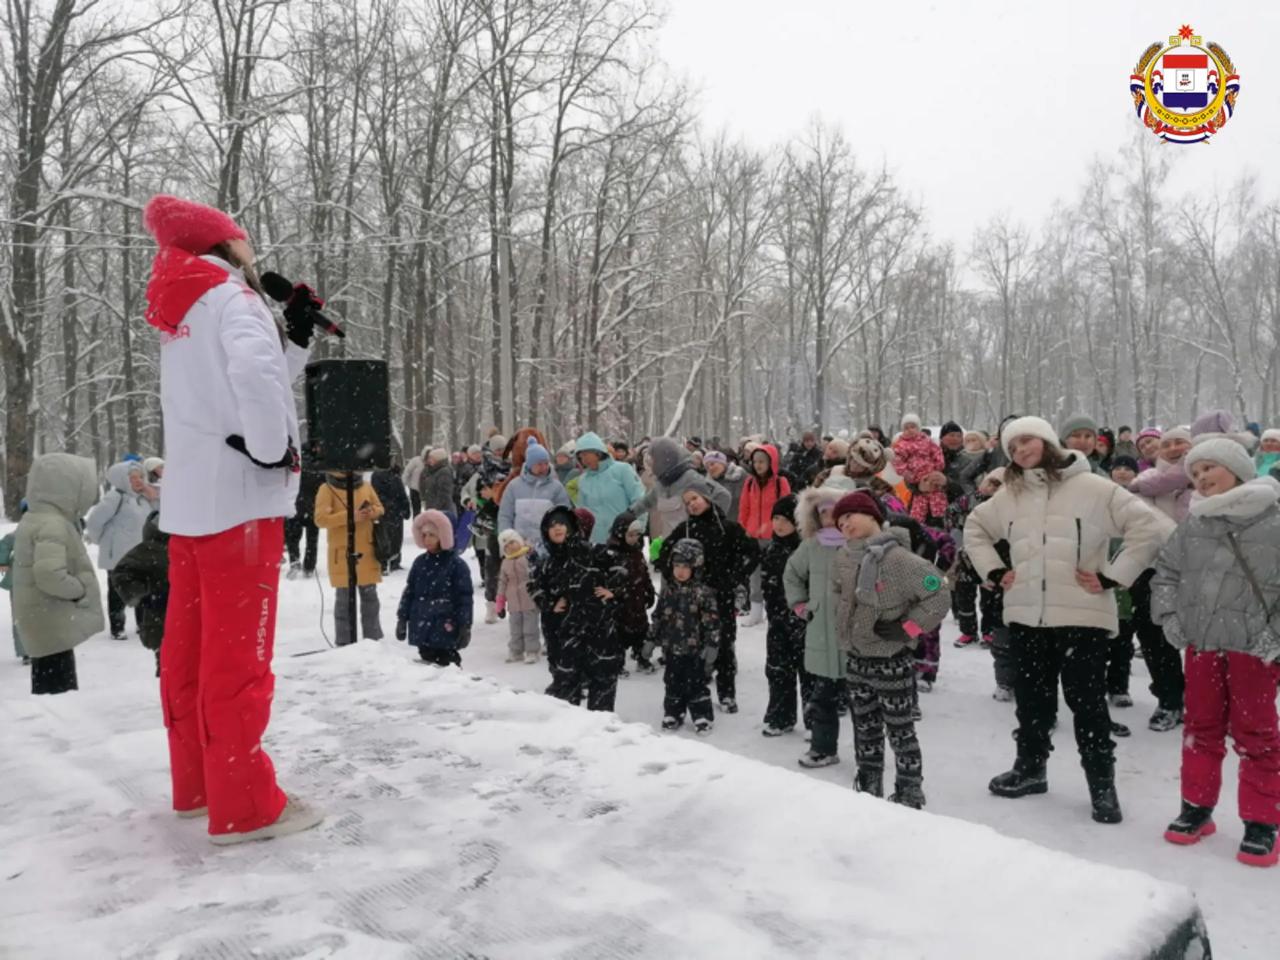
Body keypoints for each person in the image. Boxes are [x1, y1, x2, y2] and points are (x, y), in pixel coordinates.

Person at [142, 193, 322, 844]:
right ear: (223, 245)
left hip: (192, 504)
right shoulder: (233, 299)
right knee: (238, 655)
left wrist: (294, 336)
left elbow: (247, 377)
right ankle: (245, 802)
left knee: (187, 651)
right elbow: (253, 377)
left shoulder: (182, 305)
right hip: (241, 504)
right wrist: (274, 453)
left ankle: (197, 784)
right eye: (243, 240)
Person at [964, 416, 1174, 825]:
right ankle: (1030, 770)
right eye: (1012, 448)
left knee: (1088, 705)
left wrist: (1114, 575)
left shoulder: (1093, 487)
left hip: (1083, 617)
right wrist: (993, 571)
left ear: (1045, 440)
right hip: (1025, 615)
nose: (1021, 450)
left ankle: (1101, 786)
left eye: (1027, 441)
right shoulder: (1011, 494)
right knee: (1032, 702)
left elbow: (1149, 527)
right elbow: (976, 529)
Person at [1151, 438, 1280, 867]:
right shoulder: (1192, 524)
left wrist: (1275, 637)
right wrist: (1171, 618)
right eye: (1196, 472)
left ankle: (1262, 822)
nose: (1203, 478)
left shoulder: (1274, 519)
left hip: (1254, 649)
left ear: (1239, 467)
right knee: (1199, 728)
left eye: (1211, 467)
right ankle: (1196, 808)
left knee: (1257, 735)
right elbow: (1165, 573)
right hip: (1202, 645)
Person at [832, 491, 951, 807]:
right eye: (840, 522)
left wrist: (907, 628)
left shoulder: (900, 560)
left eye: (850, 516)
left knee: (900, 731)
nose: (845, 525)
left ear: (872, 516)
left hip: (891, 661)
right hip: (857, 659)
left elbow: (938, 593)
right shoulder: (844, 556)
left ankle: (909, 790)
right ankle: (869, 787)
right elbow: (839, 593)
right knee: (865, 730)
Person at [657, 479, 760, 713]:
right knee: (693, 649)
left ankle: (727, 694)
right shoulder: (684, 530)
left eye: (695, 498)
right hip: (692, 602)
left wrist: (736, 577)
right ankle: (693, 694)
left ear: (707, 498)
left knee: (723, 646)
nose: (691, 504)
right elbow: (664, 555)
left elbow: (752, 551)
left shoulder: (728, 528)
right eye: (687, 502)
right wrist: (676, 580)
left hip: (721, 597)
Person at [11, 454, 103, 694]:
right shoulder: (52, 523)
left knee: (48, 682)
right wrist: (79, 589)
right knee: (58, 689)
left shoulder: (36, 517)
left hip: (43, 619)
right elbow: (48, 574)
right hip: (50, 619)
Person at [1128, 427, 1194, 731]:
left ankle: (1210, 703)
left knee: (1204, 640)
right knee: (1155, 638)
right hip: (1153, 570)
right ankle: (1169, 699)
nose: (1173, 448)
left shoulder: (1211, 478)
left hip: (1201, 570)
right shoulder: (1144, 484)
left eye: (1181, 441)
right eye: (1167, 444)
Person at [783, 484, 853, 768]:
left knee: (861, 702)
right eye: (823, 513)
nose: (829, 518)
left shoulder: (858, 544)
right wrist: (800, 604)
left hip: (855, 635)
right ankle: (823, 748)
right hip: (822, 632)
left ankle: (869, 753)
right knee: (822, 698)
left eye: (835, 512)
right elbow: (792, 574)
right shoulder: (811, 546)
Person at [530, 505, 624, 710]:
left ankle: (601, 731)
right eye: (552, 525)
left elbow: (623, 569)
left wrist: (614, 591)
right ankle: (570, 733)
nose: (557, 528)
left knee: (602, 685)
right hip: (563, 634)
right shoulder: (547, 564)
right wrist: (550, 604)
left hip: (598, 633)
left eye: (562, 523)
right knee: (565, 690)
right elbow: (534, 587)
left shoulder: (592, 552)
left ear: (572, 527)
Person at [644, 538, 720, 734]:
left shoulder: (703, 593)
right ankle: (673, 712)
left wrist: (712, 644)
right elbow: (659, 616)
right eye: (677, 565)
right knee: (672, 681)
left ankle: (702, 715)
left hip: (696, 650)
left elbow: (712, 621)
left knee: (696, 683)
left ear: (696, 566)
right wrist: (651, 639)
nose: (680, 571)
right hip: (671, 647)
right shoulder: (668, 591)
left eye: (685, 566)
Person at [85, 460, 155, 640]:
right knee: (118, 592)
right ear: (122, 479)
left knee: (143, 590)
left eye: (140, 477)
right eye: (132, 477)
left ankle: (142, 625)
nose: (138, 481)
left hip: (141, 554)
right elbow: (94, 521)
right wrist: (103, 541)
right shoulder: (115, 497)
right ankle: (117, 628)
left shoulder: (143, 497)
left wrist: (153, 495)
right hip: (118, 556)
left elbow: (159, 515)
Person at [760, 494, 812, 737]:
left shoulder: (806, 549)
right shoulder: (772, 548)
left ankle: (815, 723)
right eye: (776, 518)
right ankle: (780, 716)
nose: (779, 525)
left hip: (804, 620)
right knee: (778, 669)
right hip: (777, 621)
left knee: (809, 673)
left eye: (785, 520)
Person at [314, 471, 386, 645]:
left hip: (367, 551)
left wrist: (371, 512)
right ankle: (344, 643)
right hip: (343, 552)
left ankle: (373, 640)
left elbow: (380, 508)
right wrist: (349, 516)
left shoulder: (366, 486)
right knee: (344, 602)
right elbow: (320, 520)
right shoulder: (327, 489)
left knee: (370, 600)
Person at [398, 510, 473, 665]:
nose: (427, 540)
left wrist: (465, 624)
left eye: (432, 535)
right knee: (427, 661)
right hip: (422, 624)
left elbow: (465, 597)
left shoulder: (456, 565)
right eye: (424, 535)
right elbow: (410, 591)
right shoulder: (420, 562)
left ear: (443, 536)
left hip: (445, 624)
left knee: (447, 663)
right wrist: (402, 617)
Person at [110, 512, 171, 677]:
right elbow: (122, 574)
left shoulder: (187, 545)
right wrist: (143, 596)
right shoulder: (150, 549)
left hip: (180, 618)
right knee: (170, 668)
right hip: (161, 619)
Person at [738, 443, 791, 628]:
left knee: (776, 575)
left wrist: (778, 529)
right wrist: (743, 529)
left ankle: (776, 610)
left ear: (772, 462)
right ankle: (756, 611)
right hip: (753, 536)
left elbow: (786, 508)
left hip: (775, 536)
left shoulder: (780, 482)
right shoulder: (749, 482)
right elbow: (744, 508)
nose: (758, 465)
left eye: (762, 461)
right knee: (755, 576)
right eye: (755, 461)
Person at [496, 433, 571, 554]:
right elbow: (505, 516)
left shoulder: (556, 487)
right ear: (530, 465)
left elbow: (564, 517)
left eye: (546, 463)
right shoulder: (514, 486)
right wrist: (509, 541)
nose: (544, 467)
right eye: (539, 464)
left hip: (549, 550)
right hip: (519, 549)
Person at [605, 512, 657, 675]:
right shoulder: (612, 555)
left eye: (637, 535)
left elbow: (644, 574)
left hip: (638, 601)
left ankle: (642, 658)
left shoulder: (637, 552)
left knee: (641, 632)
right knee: (619, 637)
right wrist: (618, 593)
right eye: (630, 535)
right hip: (620, 605)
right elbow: (608, 580)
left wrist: (649, 590)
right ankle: (617, 663)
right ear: (620, 534)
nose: (635, 538)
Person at [574, 431, 646, 545]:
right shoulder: (583, 480)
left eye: (586, 454)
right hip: (595, 542)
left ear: (597, 452)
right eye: (580, 457)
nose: (583, 459)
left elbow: (639, 500)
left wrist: (638, 529)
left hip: (623, 539)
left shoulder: (622, 470)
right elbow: (582, 512)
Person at [497, 529, 541, 664]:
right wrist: (500, 600)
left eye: (512, 542)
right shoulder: (505, 562)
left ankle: (532, 651)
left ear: (520, 541)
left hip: (529, 600)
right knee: (515, 629)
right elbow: (502, 582)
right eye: (506, 546)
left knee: (530, 628)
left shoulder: (528, 557)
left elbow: (537, 574)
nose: (510, 547)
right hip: (514, 603)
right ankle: (516, 651)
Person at [371, 460, 411, 574]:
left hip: (395, 512)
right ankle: (385, 563)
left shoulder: (395, 474)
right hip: (387, 512)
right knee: (385, 539)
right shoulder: (378, 475)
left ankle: (394, 561)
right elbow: (377, 494)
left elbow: (401, 492)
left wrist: (405, 508)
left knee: (395, 538)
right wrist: (392, 505)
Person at [0, 501, 27, 662]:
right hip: (38, 579)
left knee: (20, 615)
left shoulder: (17, 533)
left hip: (18, 579)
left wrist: (3, 562)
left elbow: (4, 544)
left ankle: (25, 650)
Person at [285, 464, 323, 578]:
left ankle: (295, 561)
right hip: (313, 509)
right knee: (312, 540)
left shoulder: (294, 468)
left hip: (295, 507)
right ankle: (309, 567)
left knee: (293, 539)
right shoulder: (319, 469)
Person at [704, 450, 747, 521]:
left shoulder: (741, 477)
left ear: (722, 463)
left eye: (712, 464)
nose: (710, 468)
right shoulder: (708, 484)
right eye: (707, 467)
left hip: (740, 523)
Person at [418, 448, 456, 522]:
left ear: (438, 459)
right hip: (433, 509)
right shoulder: (433, 470)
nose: (429, 460)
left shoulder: (444, 472)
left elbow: (444, 494)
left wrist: (435, 509)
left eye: (432, 458)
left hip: (441, 511)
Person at [402, 453, 425, 517]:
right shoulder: (416, 461)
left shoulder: (431, 463)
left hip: (426, 490)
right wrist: (403, 485)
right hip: (414, 489)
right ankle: (416, 524)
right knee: (416, 510)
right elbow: (407, 472)